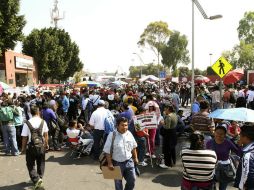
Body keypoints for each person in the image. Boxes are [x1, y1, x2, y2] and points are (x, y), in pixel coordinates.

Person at [103, 117, 138, 190]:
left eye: (126, 125)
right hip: (117, 163)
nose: (125, 127)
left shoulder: (129, 134)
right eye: (122, 125)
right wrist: (110, 163)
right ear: (117, 125)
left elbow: (134, 147)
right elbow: (107, 151)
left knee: (132, 180)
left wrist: (135, 158)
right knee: (118, 183)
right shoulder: (112, 135)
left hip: (129, 161)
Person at [21, 104, 49, 190]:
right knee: (41, 163)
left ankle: (36, 180)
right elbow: (46, 135)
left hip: (31, 147)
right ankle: (39, 178)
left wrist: (23, 148)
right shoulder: (43, 122)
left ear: (30, 112)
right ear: (38, 112)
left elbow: (24, 137)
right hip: (41, 146)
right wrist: (46, 144)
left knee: (30, 164)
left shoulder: (27, 123)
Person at [206, 124, 242, 190]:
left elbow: (238, 153)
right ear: (214, 133)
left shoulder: (228, 142)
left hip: (225, 169)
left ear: (225, 134)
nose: (219, 135)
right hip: (212, 168)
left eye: (221, 134)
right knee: (211, 187)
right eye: (217, 133)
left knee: (222, 188)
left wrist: (239, 145)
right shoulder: (209, 142)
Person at [234, 124, 254, 190]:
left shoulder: (248, 155)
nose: (239, 137)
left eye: (240, 135)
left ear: (245, 137)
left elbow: (249, 174)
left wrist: (243, 185)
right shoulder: (249, 149)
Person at [159, 104, 178, 168]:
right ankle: (174, 161)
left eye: (165, 109)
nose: (164, 110)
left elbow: (167, 127)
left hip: (168, 134)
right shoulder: (175, 114)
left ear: (168, 109)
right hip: (173, 133)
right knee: (172, 148)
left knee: (167, 149)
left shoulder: (168, 116)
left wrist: (162, 123)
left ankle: (167, 164)